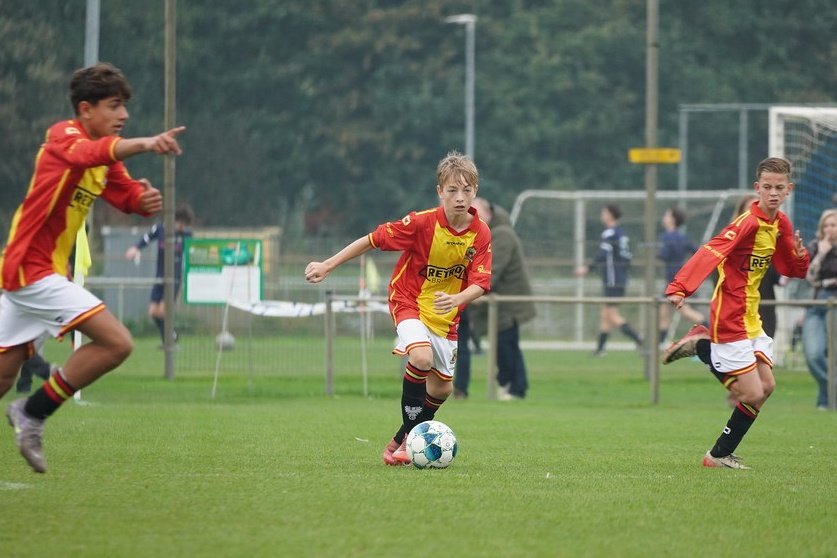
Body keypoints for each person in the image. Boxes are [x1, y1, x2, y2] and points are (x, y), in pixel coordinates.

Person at [0, 62, 185, 473]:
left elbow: (125, 195)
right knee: (118, 343)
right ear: (86, 110)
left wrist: (144, 199)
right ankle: (32, 413)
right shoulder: (63, 137)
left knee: (2, 377)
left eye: (124, 107)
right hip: (32, 270)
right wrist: (146, 143)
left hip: (36, 276)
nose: (123, 115)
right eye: (114, 106)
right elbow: (89, 154)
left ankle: (26, 411)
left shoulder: (105, 155)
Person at [304, 151, 491, 465]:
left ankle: (399, 440)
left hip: (446, 316)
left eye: (467, 190)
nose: (460, 198)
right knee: (420, 356)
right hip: (409, 300)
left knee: (443, 390)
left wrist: (457, 300)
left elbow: (481, 283)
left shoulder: (481, 232)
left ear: (475, 190)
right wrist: (328, 264)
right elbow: (371, 239)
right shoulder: (421, 222)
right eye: (452, 190)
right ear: (439, 192)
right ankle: (414, 439)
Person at [661, 157, 809, 470]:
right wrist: (680, 287)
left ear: (788, 189)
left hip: (751, 315)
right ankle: (703, 347)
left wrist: (800, 256)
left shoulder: (780, 223)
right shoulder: (748, 222)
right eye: (767, 187)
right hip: (729, 313)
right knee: (751, 390)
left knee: (765, 389)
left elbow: (789, 268)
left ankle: (717, 456)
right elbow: (712, 250)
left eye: (778, 188)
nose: (772, 193)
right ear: (757, 188)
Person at [465, 198, 536, 400]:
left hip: (507, 304)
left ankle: (513, 387)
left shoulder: (501, 234)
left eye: (476, 214)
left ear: (488, 214)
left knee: (505, 347)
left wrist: (474, 290)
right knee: (506, 346)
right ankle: (515, 387)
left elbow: (492, 270)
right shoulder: (490, 233)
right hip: (501, 302)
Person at [575, 204, 643, 356]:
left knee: (611, 314)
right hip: (620, 278)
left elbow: (602, 255)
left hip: (612, 280)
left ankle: (639, 339)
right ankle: (600, 349)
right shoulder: (622, 234)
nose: (602, 215)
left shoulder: (609, 233)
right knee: (605, 313)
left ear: (611, 215)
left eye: (604, 212)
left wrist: (587, 268)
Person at [124, 203, 195, 346]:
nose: (182, 227)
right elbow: (147, 238)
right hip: (159, 276)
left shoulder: (186, 235)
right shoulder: (161, 229)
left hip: (174, 278)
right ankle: (170, 338)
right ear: (175, 219)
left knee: (163, 311)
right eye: (181, 223)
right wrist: (136, 248)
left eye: (185, 224)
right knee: (153, 312)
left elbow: (194, 252)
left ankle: (170, 341)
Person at [801, 208, 837, 409]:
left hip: (836, 304)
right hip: (816, 305)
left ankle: (825, 401)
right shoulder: (815, 247)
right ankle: (831, 391)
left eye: (833, 225)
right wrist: (821, 255)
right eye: (826, 225)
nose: (829, 229)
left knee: (834, 356)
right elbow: (809, 278)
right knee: (813, 354)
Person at [657, 207, 706, 344]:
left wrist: (657, 253)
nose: (664, 218)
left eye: (667, 215)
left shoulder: (667, 237)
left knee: (685, 312)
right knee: (663, 311)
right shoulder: (683, 237)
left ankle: (710, 329)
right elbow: (697, 252)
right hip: (678, 279)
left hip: (673, 281)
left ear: (672, 219)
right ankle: (660, 344)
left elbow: (665, 254)